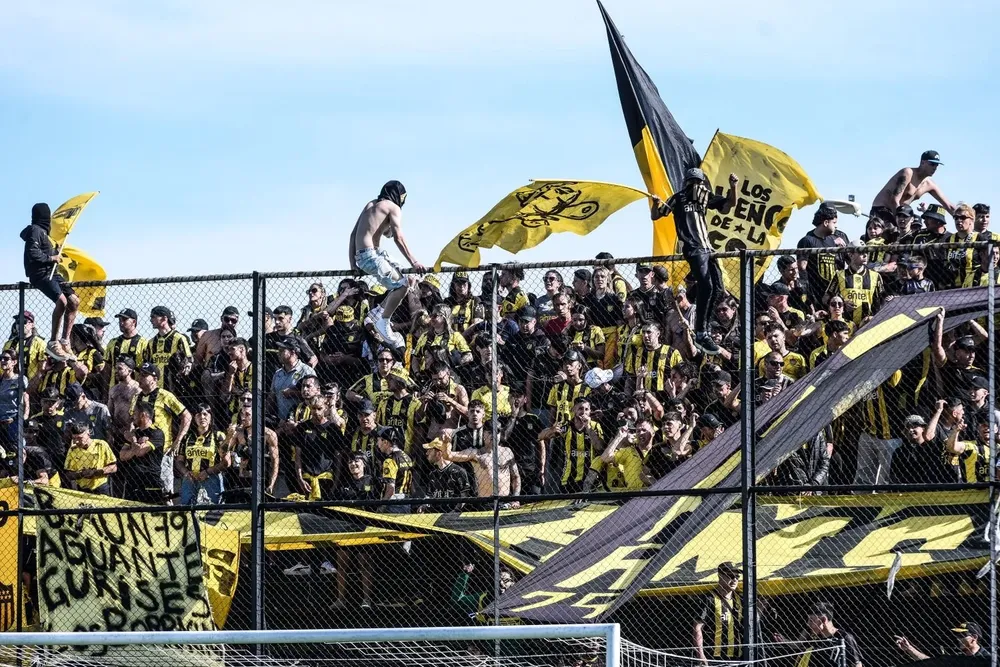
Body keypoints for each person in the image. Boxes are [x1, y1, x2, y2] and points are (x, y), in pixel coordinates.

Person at [650, 169, 739, 355]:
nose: (696, 187)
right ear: (687, 184)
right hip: (693, 248)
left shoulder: (703, 196)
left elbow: (728, 204)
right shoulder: (678, 198)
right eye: (693, 184)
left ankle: (704, 329)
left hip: (708, 248)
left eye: (698, 183)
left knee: (718, 288)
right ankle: (700, 332)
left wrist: (733, 186)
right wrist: (656, 203)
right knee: (706, 285)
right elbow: (657, 215)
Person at [350, 180, 424, 350]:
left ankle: (377, 313)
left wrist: (353, 264)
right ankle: (383, 322)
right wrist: (414, 261)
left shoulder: (371, 204)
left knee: (402, 277)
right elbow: (398, 238)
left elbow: (353, 234)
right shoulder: (393, 207)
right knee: (403, 285)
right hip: (371, 255)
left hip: (366, 254)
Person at [20, 203, 80, 361]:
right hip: (40, 273)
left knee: (74, 301)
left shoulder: (44, 234)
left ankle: (65, 341)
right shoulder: (35, 230)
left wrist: (56, 250)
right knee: (62, 301)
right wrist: (51, 257)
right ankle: (53, 342)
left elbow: (44, 251)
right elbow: (33, 253)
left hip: (52, 273)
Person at [871, 150, 953, 219]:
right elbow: (894, 200)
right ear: (922, 162)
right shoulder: (908, 173)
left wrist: (962, 217)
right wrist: (901, 220)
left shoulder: (929, 184)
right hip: (882, 210)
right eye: (932, 164)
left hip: (900, 214)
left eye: (937, 165)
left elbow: (949, 206)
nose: (934, 167)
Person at [797, 203, 850, 308]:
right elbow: (802, 267)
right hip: (816, 290)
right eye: (834, 222)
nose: (836, 226)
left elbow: (851, 261)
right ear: (826, 222)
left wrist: (844, 249)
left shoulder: (839, 237)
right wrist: (807, 290)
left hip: (836, 290)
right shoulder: (807, 240)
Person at [175, 404, 229, 504]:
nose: (202, 417)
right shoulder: (187, 437)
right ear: (194, 418)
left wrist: (208, 472)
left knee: (213, 509)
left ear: (211, 417)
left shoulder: (218, 436)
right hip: (190, 479)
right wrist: (186, 473)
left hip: (211, 478)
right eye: (198, 415)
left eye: (205, 414)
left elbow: (226, 462)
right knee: (186, 508)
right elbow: (179, 461)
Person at [693, 561, 743, 665]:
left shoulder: (740, 599)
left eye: (737, 576)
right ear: (720, 576)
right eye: (730, 575)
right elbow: (697, 627)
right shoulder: (709, 598)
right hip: (714, 656)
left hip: (738, 656)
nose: (734, 579)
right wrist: (700, 654)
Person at [118, 402, 166, 503]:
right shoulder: (134, 433)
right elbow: (122, 456)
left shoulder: (156, 433)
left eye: (135, 413)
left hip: (150, 481)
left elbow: (140, 452)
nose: (132, 416)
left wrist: (132, 441)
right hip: (132, 481)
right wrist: (136, 445)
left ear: (143, 415)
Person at [790, 602, 863, 667]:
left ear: (824, 620)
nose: (808, 624)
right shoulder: (815, 640)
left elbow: (856, 663)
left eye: (811, 620)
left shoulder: (844, 637)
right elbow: (796, 645)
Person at [62, 420, 117, 496]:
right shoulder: (72, 449)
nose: (76, 442)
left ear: (88, 434)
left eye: (79, 438)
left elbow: (113, 467)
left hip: (101, 486)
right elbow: (68, 474)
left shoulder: (101, 444)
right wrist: (81, 474)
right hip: (82, 489)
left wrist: (95, 472)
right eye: (74, 438)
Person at [418, 437, 472, 513]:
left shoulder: (458, 471)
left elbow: (464, 495)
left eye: (430, 450)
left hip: (453, 515)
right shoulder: (432, 474)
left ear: (439, 453)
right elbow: (429, 495)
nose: (426, 453)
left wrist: (455, 511)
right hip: (435, 514)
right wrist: (423, 505)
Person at [896, 621, 991, 661]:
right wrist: (909, 648)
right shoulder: (957, 658)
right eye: (957, 635)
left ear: (974, 637)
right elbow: (931, 663)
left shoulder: (987, 659)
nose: (958, 638)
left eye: (962, 635)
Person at [4, 311, 47, 380]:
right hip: (10, 384)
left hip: (32, 385)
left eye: (24, 321)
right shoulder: (8, 344)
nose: (20, 324)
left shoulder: (40, 343)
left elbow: (42, 369)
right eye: (17, 322)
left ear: (32, 325)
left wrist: (30, 388)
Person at [0, 351, 28, 452]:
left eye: (6, 359)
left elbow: (26, 398)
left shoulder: (19, 379)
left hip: (13, 422)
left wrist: (24, 417)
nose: (2, 361)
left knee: (16, 452)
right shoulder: (1, 380)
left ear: (14, 362)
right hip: (0, 423)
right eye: (1, 358)